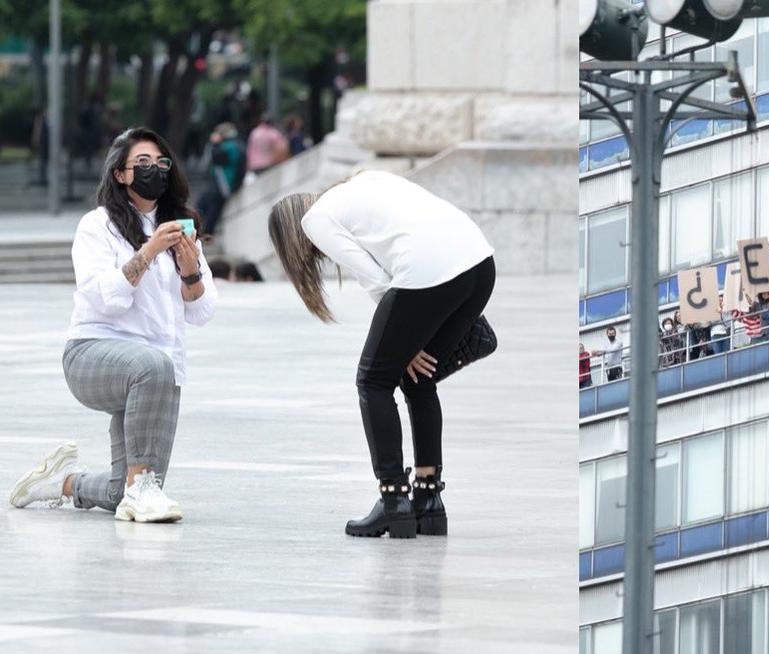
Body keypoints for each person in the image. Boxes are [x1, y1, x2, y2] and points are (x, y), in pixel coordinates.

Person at [267, 170, 495, 539]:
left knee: (373, 380)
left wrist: (406, 340)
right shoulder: (366, 181)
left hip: (430, 271)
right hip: (481, 264)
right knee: (420, 380)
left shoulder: (315, 221)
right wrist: (408, 341)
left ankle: (393, 501)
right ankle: (428, 500)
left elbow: (374, 278)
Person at [8, 127, 216, 523]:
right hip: (92, 354)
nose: (154, 170)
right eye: (142, 163)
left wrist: (190, 272)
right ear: (120, 173)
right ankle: (142, 493)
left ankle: (62, 483)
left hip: (157, 371)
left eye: (161, 163)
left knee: (121, 489)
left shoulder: (181, 227)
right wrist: (150, 250)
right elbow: (104, 298)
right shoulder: (97, 226)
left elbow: (202, 312)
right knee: (155, 368)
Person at [196, 122, 244, 237]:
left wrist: (215, 144)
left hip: (222, 183)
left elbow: (215, 157)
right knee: (206, 206)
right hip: (222, 183)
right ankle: (205, 232)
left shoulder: (230, 146)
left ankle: (206, 233)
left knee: (208, 208)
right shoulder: (236, 144)